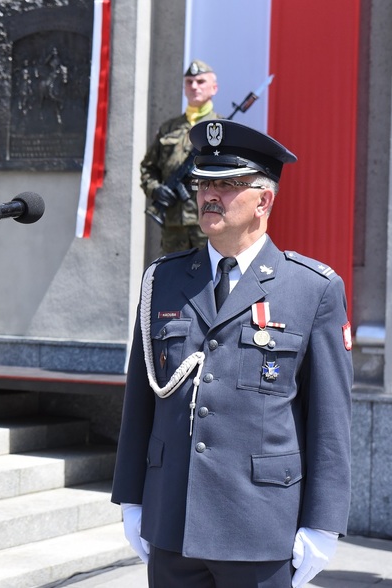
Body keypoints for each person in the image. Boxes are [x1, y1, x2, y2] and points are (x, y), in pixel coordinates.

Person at [112, 119, 353, 588]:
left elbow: (329, 420)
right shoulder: (163, 280)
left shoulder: (311, 289)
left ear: (264, 199)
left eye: (227, 184)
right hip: (172, 522)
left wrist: (322, 524)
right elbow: (140, 399)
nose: (208, 195)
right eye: (204, 183)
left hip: (260, 528)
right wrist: (132, 498)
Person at [140, 59, 222, 253]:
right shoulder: (168, 128)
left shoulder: (221, 128)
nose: (194, 86)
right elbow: (148, 168)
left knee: (210, 280)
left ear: (214, 88)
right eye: (189, 82)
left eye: (200, 81)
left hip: (209, 222)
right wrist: (156, 190)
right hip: (173, 226)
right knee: (172, 279)